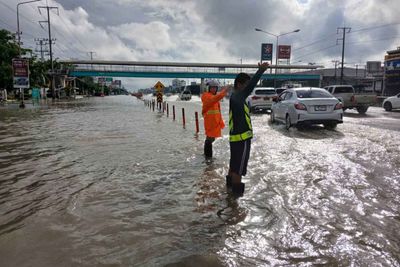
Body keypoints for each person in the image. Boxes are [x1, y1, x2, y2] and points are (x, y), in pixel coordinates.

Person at [226, 62, 269, 196]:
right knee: (238, 170)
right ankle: (235, 204)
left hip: (236, 139)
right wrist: (260, 71)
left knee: (233, 167)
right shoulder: (238, 96)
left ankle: (228, 194)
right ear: (239, 84)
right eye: (245, 84)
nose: (248, 88)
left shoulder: (235, 97)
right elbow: (251, 86)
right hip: (242, 139)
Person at [201, 80, 227, 158]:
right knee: (209, 139)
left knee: (211, 139)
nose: (214, 89)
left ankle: (207, 157)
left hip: (215, 123)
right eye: (212, 88)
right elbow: (213, 99)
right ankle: (208, 158)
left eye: (215, 88)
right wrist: (223, 92)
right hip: (210, 122)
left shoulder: (215, 98)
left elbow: (218, 112)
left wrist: (220, 122)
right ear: (208, 88)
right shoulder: (206, 96)